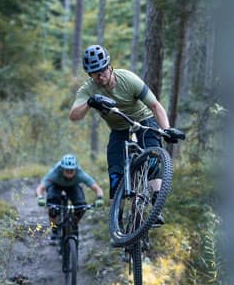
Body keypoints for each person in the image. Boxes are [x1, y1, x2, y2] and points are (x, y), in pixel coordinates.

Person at [68, 44, 181, 224]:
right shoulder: (88, 89)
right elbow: (74, 115)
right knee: (115, 175)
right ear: (89, 74)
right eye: (94, 73)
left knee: (152, 158)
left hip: (143, 121)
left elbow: (155, 106)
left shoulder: (128, 79)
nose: (99, 75)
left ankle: (156, 205)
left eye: (102, 70)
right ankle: (117, 220)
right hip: (119, 129)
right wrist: (89, 102)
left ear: (109, 66)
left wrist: (166, 130)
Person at [35, 154, 104, 242]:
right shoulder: (55, 173)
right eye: (67, 170)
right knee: (53, 208)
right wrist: (40, 197)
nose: (69, 173)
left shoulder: (80, 173)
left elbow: (97, 188)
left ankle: (74, 224)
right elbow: (40, 188)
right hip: (56, 185)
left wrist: (99, 198)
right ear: (62, 169)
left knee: (81, 206)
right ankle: (54, 229)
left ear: (75, 169)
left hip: (73, 186)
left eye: (72, 171)